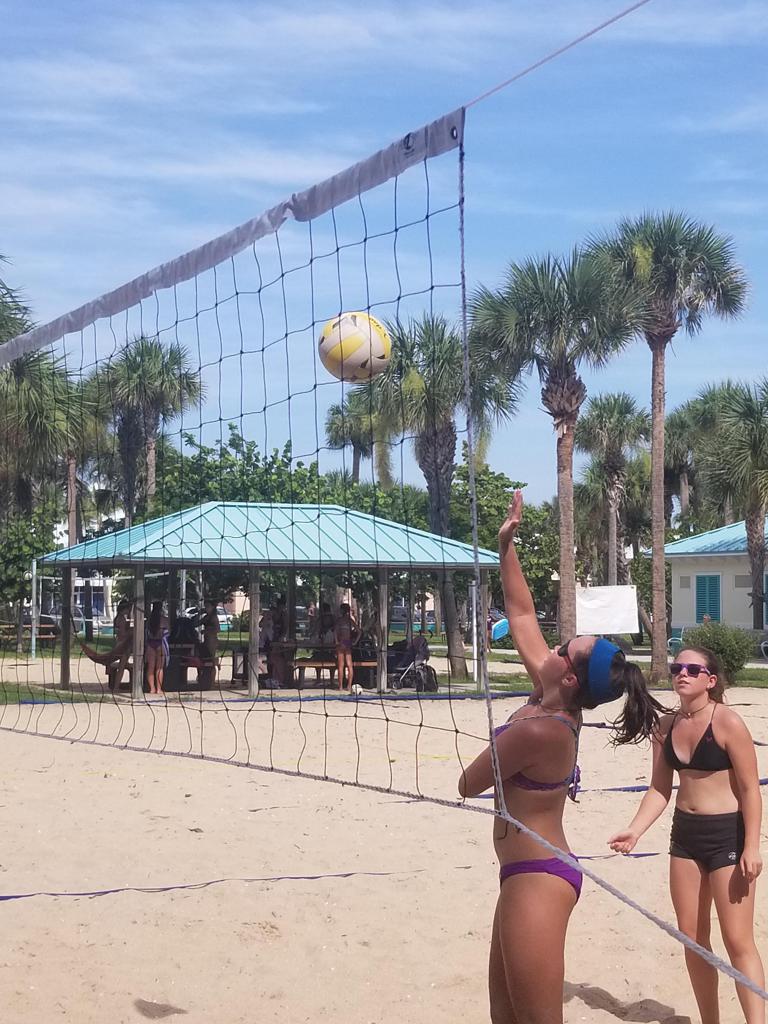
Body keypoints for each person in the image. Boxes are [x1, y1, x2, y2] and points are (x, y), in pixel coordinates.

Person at [458, 492, 664, 1024]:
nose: (552, 647)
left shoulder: (542, 730)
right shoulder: (549, 698)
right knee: (504, 1015)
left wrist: (503, 735)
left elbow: (467, 783)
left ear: (569, 676)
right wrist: (506, 546)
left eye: (562, 649)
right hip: (521, 874)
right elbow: (522, 613)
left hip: (538, 877)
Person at [609, 646, 765, 1023]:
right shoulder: (664, 727)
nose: (682, 673)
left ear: (710, 681)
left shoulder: (727, 722)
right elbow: (659, 789)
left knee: (737, 941)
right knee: (692, 939)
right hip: (685, 838)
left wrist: (751, 846)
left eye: (692, 670)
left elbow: (750, 789)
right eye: (678, 667)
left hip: (727, 836)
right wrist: (635, 830)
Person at [145, 601, 169, 695]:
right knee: (160, 668)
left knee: (150, 668)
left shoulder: (149, 620)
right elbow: (168, 633)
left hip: (150, 643)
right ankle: (159, 689)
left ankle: (152, 688)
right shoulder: (164, 620)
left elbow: (146, 633)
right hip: (161, 643)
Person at [335, 602, 359, 693]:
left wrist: (336, 641)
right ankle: (348, 686)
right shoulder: (350, 621)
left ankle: (341, 686)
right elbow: (359, 631)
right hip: (348, 642)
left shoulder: (340, 621)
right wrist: (355, 642)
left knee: (341, 665)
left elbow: (335, 632)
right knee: (349, 665)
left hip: (342, 642)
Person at [199, 599, 220, 684]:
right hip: (206, 640)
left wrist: (206, 631)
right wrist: (198, 614)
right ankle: (205, 678)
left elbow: (217, 629)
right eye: (205, 607)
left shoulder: (214, 617)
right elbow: (197, 623)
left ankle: (212, 681)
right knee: (205, 659)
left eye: (208, 607)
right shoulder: (206, 617)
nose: (206, 608)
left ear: (212, 607)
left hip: (212, 641)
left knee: (211, 660)